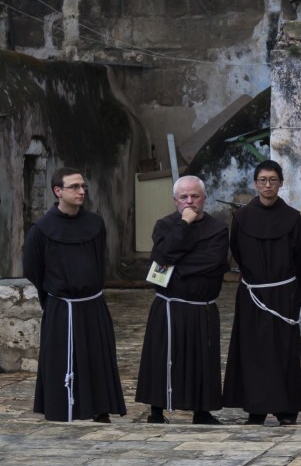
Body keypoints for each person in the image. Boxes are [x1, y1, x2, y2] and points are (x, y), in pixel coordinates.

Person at [22, 167, 126, 423]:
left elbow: (99, 259)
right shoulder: (42, 229)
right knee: (61, 359)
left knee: (97, 357)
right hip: (62, 305)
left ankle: (100, 409)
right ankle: (61, 409)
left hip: (92, 303)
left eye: (83, 187)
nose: (82, 191)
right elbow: (33, 268)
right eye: (75, 187)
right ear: (58, 191)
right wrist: (55, 295)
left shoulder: (95, 223)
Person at [135, 176, 229, 424]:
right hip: (170, 305)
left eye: (195, 196)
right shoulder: (165, 225)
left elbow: (214, 262)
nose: (190, 201)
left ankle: (202, 410)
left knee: (202, 359)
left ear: (204, 198)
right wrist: (184, 224)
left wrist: (177, 264)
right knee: (162, 356)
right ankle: (156, 410)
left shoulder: (218, 228)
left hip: (202, 306)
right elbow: (162, 255)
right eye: (184, 197)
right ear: (175, 201)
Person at [223, 160, 301, 425]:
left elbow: (298, 258)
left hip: (284, 293)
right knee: (253, 351)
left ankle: (286, 410)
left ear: (281, 183)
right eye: (263, 180)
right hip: (253, 294)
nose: (268, 185)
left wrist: (299, 297)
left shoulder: (293, 218)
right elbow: (236, 252)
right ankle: (256, 409)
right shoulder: (241, 218)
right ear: (255, 183)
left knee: (285, 350)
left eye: (273, 180)